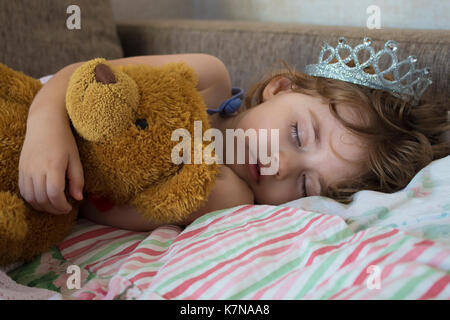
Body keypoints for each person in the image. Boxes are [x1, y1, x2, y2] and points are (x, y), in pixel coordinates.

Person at [18, 38, 450, 232]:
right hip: (31, 111)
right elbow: (87, 75)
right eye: (298, 134)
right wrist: (44, 130)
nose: (279, 165)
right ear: (280, 87)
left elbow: (100, 205)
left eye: (305, 184)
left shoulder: (225, 197)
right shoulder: (206, 79)